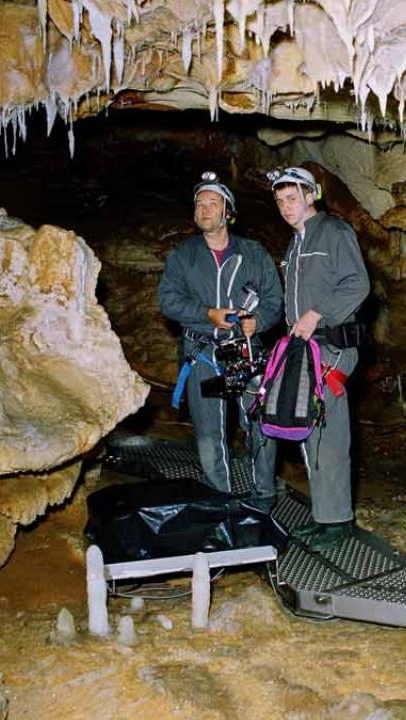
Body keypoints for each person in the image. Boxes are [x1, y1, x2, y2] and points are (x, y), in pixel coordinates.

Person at [158, 172, 283, 506]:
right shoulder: (184, 255)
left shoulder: (253, 253)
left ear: (228, 212)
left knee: (258, 425)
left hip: (244, 353)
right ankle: (221, 499)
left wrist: (259, 322)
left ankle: (264, 495)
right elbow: (168, 300)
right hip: (205, 355)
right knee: (210, 432)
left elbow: (274, 299)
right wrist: (206, 314)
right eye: (200, 204)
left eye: (213, 203)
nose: (205, 209)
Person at [267, 166, 369, 551]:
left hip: (333, 347)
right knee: (309, 431)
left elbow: (358, 283)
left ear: (312, 196)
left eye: (292, 198)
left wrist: (317, 313)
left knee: (329, 433)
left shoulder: (334, 233)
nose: (285, 206)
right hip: (305, 349)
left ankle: (338, 521)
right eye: (279, 201)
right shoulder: (295, 244)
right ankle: (325, 514)